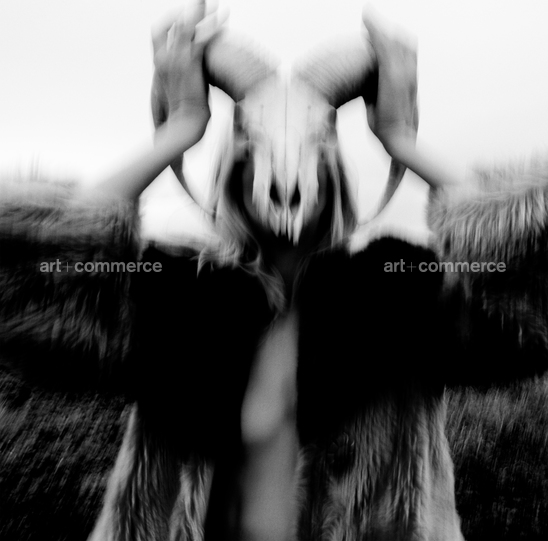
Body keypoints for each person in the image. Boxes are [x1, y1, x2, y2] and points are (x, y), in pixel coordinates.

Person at [1, 2, 547, 540]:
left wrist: (401, 136)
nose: (285, 180)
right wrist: (179, 127)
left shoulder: (402, 291)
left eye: (317, 142)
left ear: (334, 168)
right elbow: (29, 279)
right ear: (232, 166)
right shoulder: (173, 297)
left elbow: (528, 282)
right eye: (252, 143)